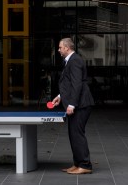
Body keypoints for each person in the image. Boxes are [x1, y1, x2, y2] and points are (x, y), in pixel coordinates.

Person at [52, 38, 95, 174]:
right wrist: (60, 97)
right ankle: (77, 163)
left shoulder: (75, 60)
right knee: (73, 134)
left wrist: (71, 104)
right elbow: (69, 84)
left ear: (66, 48)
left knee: (77, 134)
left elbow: (77, 84)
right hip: (78, 103)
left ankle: (85, 165)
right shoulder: (71, 60)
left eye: (60, 47)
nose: (58, 50)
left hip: (81, 104)